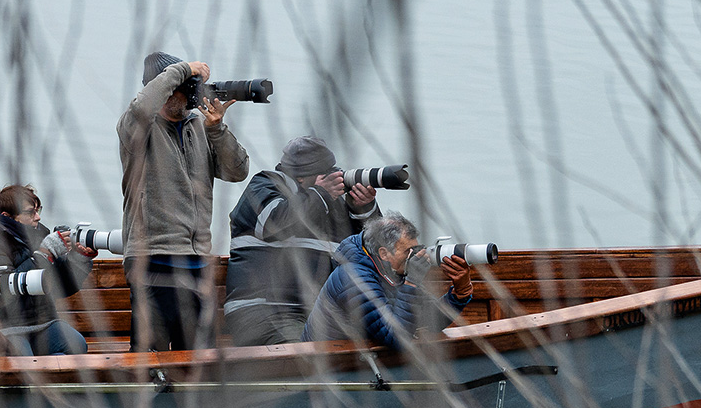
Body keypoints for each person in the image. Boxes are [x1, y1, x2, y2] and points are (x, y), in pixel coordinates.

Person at [117, 51, 251, 351]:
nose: (191, 96)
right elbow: (143, 105)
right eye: (184, 88)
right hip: (153, 259)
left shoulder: (198, 128)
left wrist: (217, 129)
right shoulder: (136, 129)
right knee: (150, 362)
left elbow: (237, 170)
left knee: (198, 361)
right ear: (163, 88)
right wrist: (184, 69)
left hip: (196, 262)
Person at [224, 136, 377, 347]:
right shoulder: (266, 185)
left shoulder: (326, 201)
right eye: (323, 175)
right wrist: (321, 194)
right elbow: (272, 224)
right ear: (301, 178)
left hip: (315, 313)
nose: (332, 179)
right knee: (306, 351)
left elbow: (376, 251)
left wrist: (364, 210)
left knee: (373, 345)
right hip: (265, 313)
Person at [301, 212, 474, 350]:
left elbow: (430, 322)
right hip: (331, 369)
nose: (414, 256)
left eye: (417, 248)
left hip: (363, 361)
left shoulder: (393, 270)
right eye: (409, 251)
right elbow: (396, 338)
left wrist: (461, 292)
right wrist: (412, 282)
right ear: (383, 253)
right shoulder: (353, 277)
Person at [0, 184, 95, 356]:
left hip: (43, 322)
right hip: (6, 326)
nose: (38, 217)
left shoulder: (41, 235)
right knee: (23, 361)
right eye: (30, 212)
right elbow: (3, 292)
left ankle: (50, 378)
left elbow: (60, 288)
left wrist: (78, 258)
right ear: (7, 216)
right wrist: (43, 255)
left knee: (76, 345)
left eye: (38, 209)